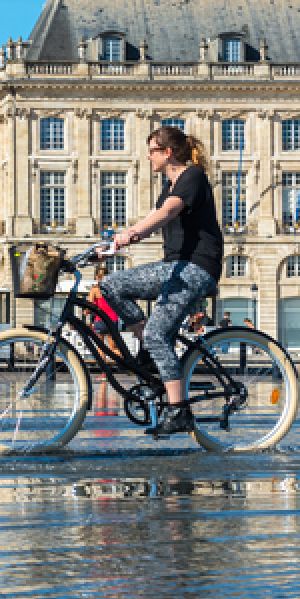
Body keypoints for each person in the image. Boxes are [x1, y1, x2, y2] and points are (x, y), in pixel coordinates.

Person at [101, 125, 225, 438]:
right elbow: (154, 217)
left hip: (196, 267)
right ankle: (149, 343)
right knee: (111, 285)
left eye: (152, 149)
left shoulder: (191, 177)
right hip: (174, 267)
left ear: (167, 152)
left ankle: (179, 409)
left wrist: (130, 235)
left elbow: (168, 213)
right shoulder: (168, 186)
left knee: (158, 334)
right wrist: (107, 246)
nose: (148, 155)